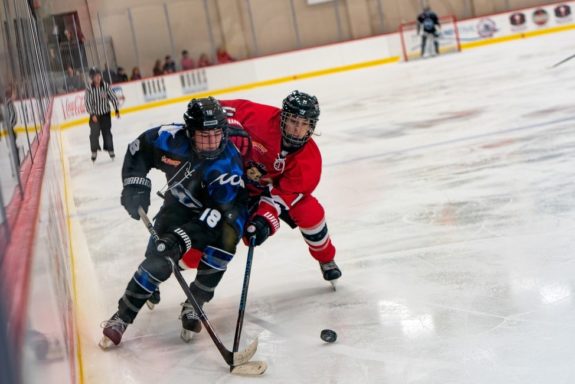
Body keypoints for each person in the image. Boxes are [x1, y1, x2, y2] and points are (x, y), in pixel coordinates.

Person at [99, 97, 248, 348]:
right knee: (159, 259)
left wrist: (180, 239)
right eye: (204, 136)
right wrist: (135, 185)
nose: (212, 143)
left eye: (216, 135)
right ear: (189, 132)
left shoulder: (229, 166)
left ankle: (195, 302)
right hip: (179, 205)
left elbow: (216, 216)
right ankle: (121, 317)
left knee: (224, 246)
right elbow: (140, 149)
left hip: (221, 217)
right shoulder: (170, 138)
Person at [220, 91, 341, 286]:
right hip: (235, 184)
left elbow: (283, 195)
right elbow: (212, 108)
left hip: (272, 192)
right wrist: (229, 127)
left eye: (304, 124)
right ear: (282, 117)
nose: (297, 129)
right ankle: (169, 266)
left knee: (310, 211)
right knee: (216, 228)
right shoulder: (258, 117)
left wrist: (264, 219)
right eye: (293, 121)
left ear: (312, 126)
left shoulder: (309, 161)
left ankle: (326, 259)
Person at [84, 67, 120, 162]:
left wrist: (116, 109)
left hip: (105, 115)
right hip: (95, 115)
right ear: (92, 77)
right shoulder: (89, 89)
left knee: (107, 133)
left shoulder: (105, 86)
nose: (98, 77)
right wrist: (92, 115)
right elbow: (87, 103)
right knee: (94, 134)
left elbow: (113, 97)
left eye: (99, 75)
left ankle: (110, 150)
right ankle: (94, 151)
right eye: (95, 76)